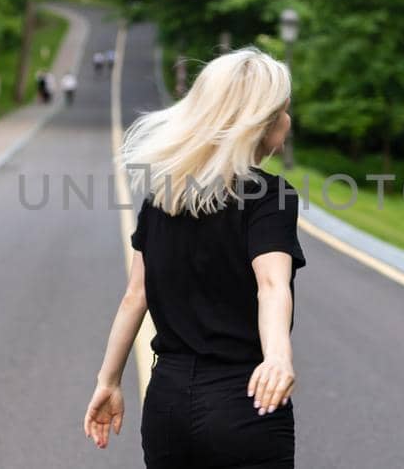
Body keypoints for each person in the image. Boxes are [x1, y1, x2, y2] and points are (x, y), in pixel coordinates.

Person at [84, 48, 304, 468]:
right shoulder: (269, 197)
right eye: (284, 111)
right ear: (263, 123)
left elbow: (135, 297)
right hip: (244, 402)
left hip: (166, 405)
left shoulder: (161, 196)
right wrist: (277, 356)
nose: (288, 121)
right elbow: (271, 284)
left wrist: (108, 381)